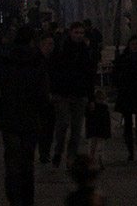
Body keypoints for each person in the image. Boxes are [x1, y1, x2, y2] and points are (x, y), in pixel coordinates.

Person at [0, 26, 49, 206]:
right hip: (30, 118)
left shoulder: (5, 59)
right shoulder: (37, 60)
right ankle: (27, 199)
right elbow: (43, 92)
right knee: (28, 163)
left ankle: (14, 198)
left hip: (10, 117)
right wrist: (41, 112)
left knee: (12, 162)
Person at [50, 21, 96, 169]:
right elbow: (54, 71)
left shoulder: (86, 51)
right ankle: (58, 151)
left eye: (81, 33)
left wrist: (91, 97)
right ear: (70, 33)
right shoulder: (61, 49)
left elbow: (90, 75)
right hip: (62, 93)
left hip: (80, 94)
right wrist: (54, 91)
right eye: (76, 32)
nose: (79, 36)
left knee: (76, 129)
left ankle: (71, 157)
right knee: (63, 124)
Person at [38, 34, 58, 164]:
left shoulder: (54, 60)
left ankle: (45, 152)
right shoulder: (36, 60)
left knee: (49, 127)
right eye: (48, 44)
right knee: (41, 127)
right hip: (39, 98)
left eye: (52, 44)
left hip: (52, 98)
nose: (51, 47)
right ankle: (42, 151)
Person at [85, 88, 111, 169]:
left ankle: (91, 160)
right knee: (100, 146)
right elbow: (107, 122)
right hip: (101, 131)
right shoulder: (104, 108)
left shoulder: (91, 108)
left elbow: (87, 117)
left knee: (92, 146)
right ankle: (100, 159)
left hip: (92, 130)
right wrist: (108, 132)